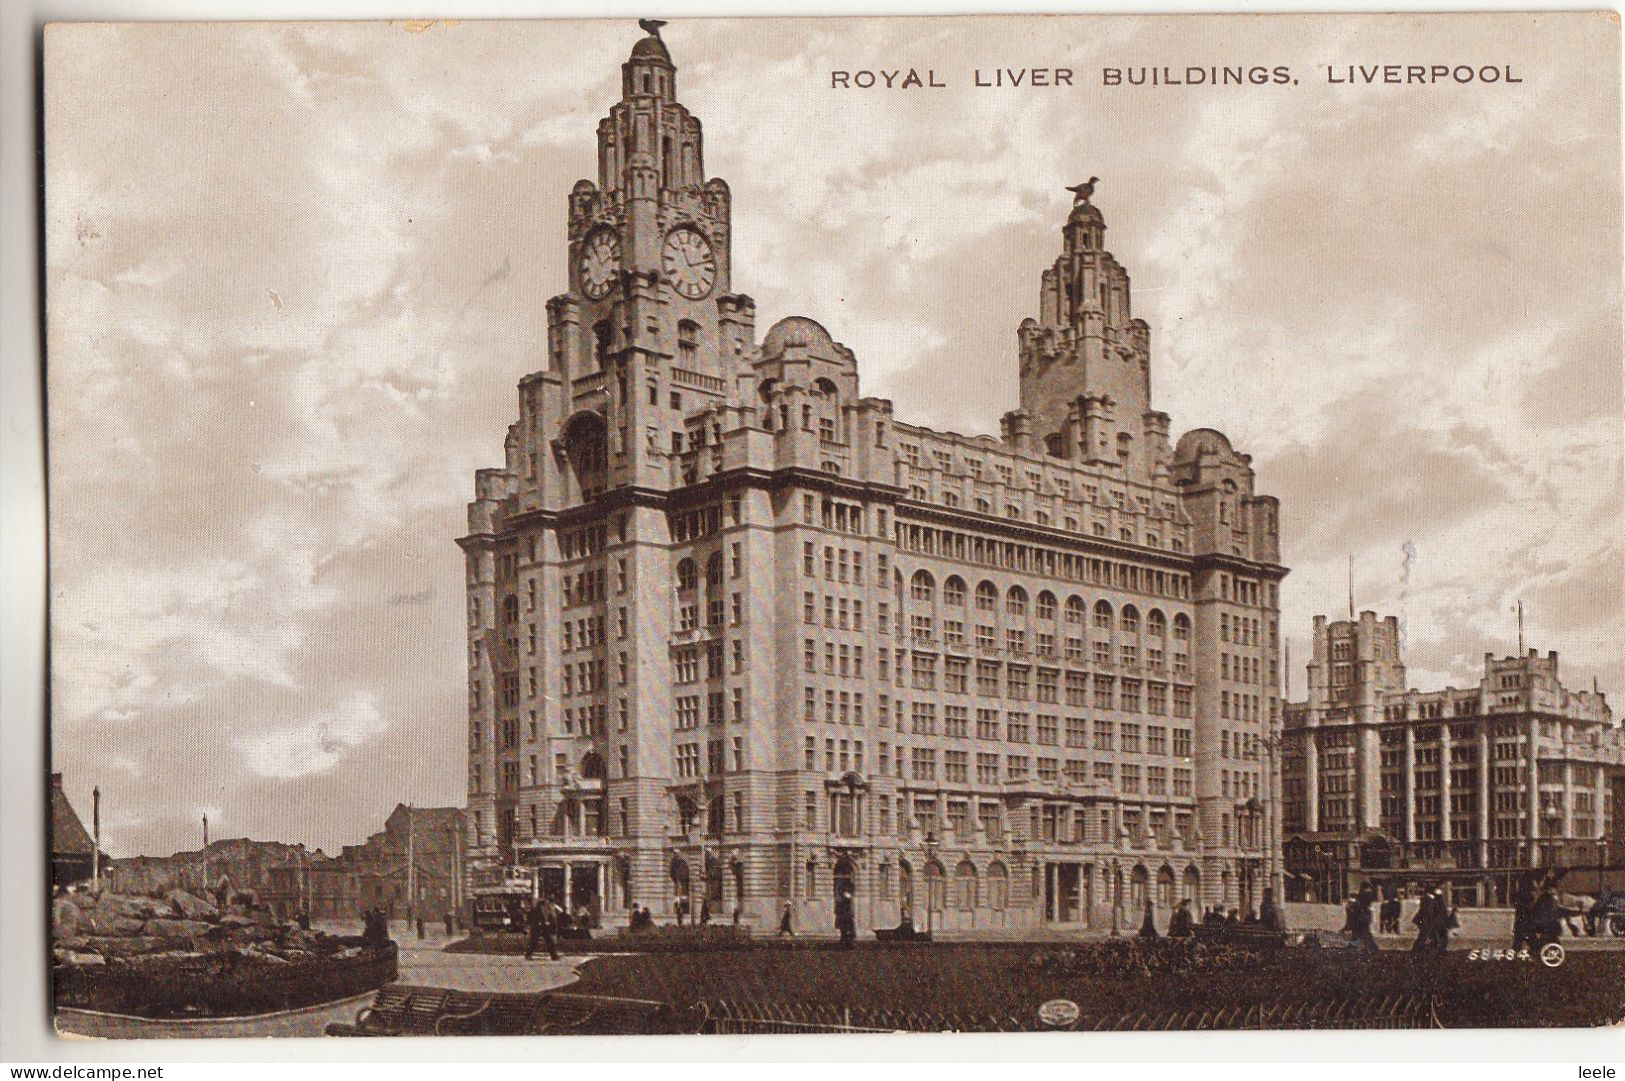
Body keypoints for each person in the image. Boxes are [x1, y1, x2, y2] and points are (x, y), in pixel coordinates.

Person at [526, 897, 560, 961]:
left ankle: (553, 955)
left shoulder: (540, 908)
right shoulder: (541, 909)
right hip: (539, 927)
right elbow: (541, 918)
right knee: (546, 941)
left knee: (540, 941)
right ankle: (554, 956)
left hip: (540, 927)